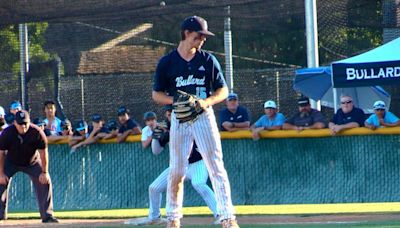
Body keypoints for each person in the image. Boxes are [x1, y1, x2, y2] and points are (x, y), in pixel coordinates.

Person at [152, 15, 239, 228]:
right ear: (186, 33)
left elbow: (223, 90)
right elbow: (157, 94)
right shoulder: (167, 62)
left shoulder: (207, 60)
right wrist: (176, 101)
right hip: (180, 118)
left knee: (216, 167)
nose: (203, 39)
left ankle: (227, 218)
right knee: (177, 170)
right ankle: (173, 219)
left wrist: (206, 101)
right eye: (199, 35)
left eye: (204, 36)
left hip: (203, 116)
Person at [126, 105, 218, 226]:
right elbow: (156, 151)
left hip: (197, 163)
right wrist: (155, 137)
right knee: (154, 188)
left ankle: (220, 214)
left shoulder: (190, 122)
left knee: (199, 183)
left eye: (173, 113)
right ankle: (155, 217)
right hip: (178, 165)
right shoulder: (165, 127)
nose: (171, 116)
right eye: (169, 114)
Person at [0, 110, 58, 223]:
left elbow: (43, 153)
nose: (23, 126)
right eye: (20, 124)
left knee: (45, 181)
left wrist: (44, 172)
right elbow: (1, 153)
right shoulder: (7, 133)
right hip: (11, 162)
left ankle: (47, 215)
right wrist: (1, 173)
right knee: (0, 181)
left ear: (29, 122)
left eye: (25, 123)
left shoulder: (36, 132)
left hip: (32, 162)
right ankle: (0, 215)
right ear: (15, 123)